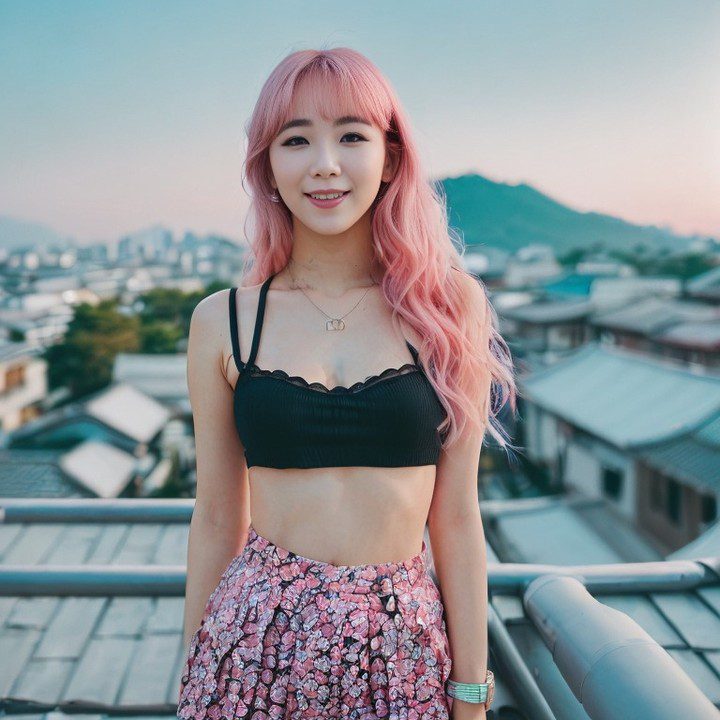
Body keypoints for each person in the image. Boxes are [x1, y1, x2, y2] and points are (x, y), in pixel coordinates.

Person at [177, 47, 517, 720]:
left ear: (390, 158)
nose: (325, 163)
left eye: (352, 136)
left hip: (401, 652)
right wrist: (195, 673)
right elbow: (218, 515)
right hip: (253, 646)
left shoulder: (449, 307)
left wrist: (472, 692)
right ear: (268, 164)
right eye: (296, 139)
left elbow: (456, 516)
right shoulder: (224, 321)